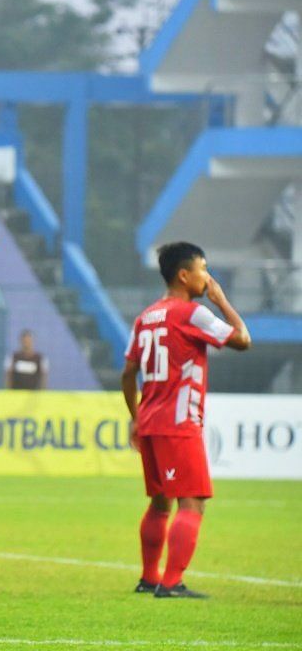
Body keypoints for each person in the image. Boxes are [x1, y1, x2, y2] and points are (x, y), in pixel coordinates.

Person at [121, 242, 250, 598]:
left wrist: (136, 417)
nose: (207, 277)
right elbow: (242, 339)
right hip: (178, 423)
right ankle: (172, 582)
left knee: (161, 502)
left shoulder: (145, 317)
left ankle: (149, 578)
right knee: (192, 502)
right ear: (184, 274)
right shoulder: (191, 313)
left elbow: (128, 373)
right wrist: (221, 301)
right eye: (203, 269)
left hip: (149, 422)